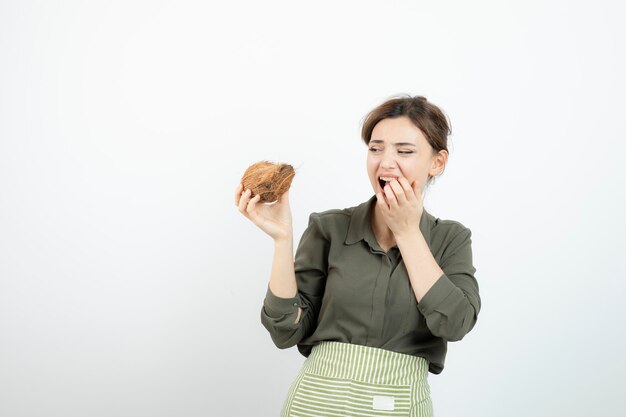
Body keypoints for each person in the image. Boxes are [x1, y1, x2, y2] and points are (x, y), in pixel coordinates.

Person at [234, 94, 481, 417]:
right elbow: (285, 330)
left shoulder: (451, 238)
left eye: (404, 151)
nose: (386, 162)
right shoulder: (329, 227)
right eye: (375, 149)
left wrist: (408, 233)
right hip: (315, 404)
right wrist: (283, 239)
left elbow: (456, 323)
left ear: (437, 162)